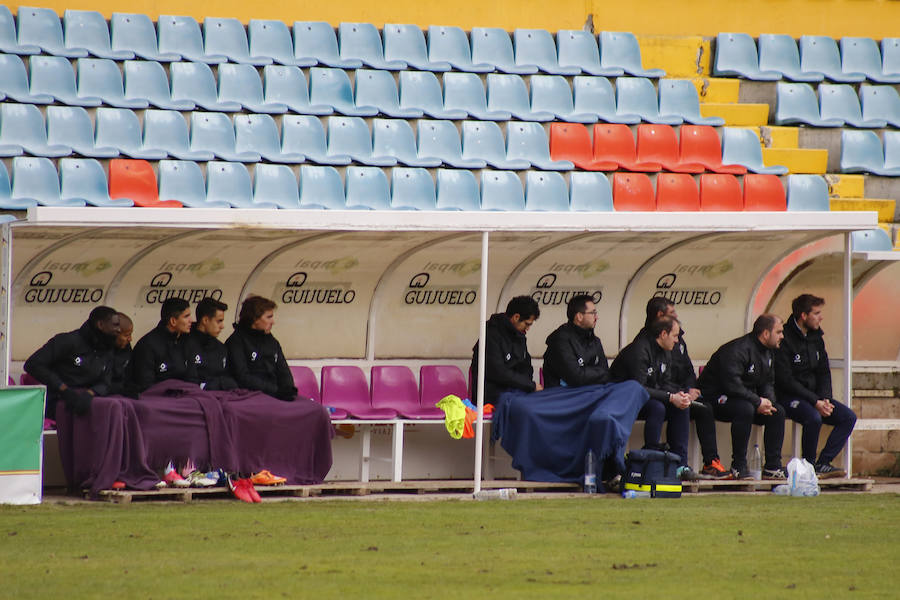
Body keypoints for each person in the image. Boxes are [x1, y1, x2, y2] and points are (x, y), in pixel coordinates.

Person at [644, 298, 731, 479]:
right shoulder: (649, 342)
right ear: (661, 316)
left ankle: (710, 463)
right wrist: (679, 394)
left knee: (704, 408)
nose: (677, 316)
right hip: (661, 395)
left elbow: (688, 369)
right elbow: (656, 380)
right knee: (678, 406)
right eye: (672, 313)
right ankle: (673, 464)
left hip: (678, 392)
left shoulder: (679, 340)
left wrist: (691, 389)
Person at [775, 294, 856, 478]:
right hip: (789, 397)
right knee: (813, 417)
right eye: (817, 313)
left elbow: (823, 371)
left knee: (848, 417)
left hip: (815, 398)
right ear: (803, 315)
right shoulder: (785, 337)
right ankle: (809, 466)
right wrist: (815, 401)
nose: (821, 317)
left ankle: (823, 463)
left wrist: (824, 398)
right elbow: (785, 380)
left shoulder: (816, 337)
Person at [698, 314, 787, 480]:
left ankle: (772, 467)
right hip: (716, 397)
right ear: (766, 334)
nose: (782, 336)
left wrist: (767, 402)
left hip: (743, 398)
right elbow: (731, 385)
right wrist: (756, 401)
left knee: (777, 411)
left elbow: (767, 382)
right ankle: (739, 465)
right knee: (745, 409)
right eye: (779, 331)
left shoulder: (768, 352)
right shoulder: (737, 350)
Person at [610, 315, 696, 480]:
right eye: (675, 336)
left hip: (648, 398)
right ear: (663, 334)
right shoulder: (640, 350)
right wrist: (671, 397)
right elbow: (638, 389)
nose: (677, 341)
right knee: (658, 407)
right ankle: (651, 459)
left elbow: (664, 383)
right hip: (623, 400)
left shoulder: (666, 351)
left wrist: (680, 394)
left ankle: (680, 464)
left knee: (682, 407)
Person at [24, 306, 121, 418]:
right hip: (59, 399)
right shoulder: (67, 341)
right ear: (100, 325)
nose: (119, 329)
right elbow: (33, 364)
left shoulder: (107, 348)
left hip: (89, 400)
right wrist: (63, 389)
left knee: (117, 407)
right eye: (115, 325)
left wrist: (91, 393)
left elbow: (106, 381)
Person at [470, 295, 541, 404]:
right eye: (527, 324)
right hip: (490, 394)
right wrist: (529, 385)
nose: (528, 328)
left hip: (514, 391)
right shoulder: (491, 334)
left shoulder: (519, 335)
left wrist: (527, 386)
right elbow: (498, 372)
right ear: (516, 317)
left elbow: (526, 366)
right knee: (526, 407)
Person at [225, 295, 298, 401]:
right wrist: (276, 391)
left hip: (276, 394)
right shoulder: (236, 342)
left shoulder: (272, 341)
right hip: (250, 396)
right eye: (269, 317)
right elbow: (242, 377)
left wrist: (288, 389)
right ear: (254, 319)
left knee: (315, 410)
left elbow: (283, 370)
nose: (273, 322)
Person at [542, 294, 608, 389]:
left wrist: (586, 371)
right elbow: (575, 377)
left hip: (591, 392)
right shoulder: (560, 340)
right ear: (579, 317)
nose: (596, 317)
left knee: (629, 386)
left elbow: (606, 371)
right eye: (593, 313)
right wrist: (597, 372)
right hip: (563, 396)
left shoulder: (595, 341)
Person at [129, 298, 194, 394]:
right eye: (186, 316)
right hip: (158, 399)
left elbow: (191, 378)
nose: (191, 320)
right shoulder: (147, 345)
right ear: (173, 321)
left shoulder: (185, 341)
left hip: (184, 395)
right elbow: (145, 385)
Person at [184, 297, 237, 391]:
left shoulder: (221, 348)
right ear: (205, 320)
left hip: (224, 398)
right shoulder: (185, 344)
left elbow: (229, 379)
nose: (222, 326)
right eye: (219, 321)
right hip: (195, 400)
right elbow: (189, 383)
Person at [108, 312, 133, 396]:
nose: (130, 339)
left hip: (122, 391)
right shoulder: (99, 350)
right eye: (126, 335)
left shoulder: (125, 346)